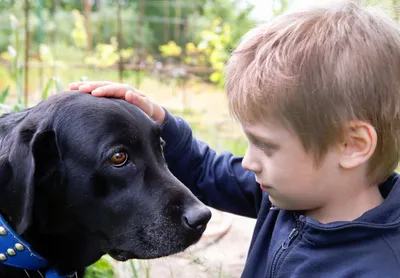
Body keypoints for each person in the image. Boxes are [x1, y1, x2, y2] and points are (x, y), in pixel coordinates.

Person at [69, 1, 400, 277]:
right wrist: (160, 122)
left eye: (266, 146)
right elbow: (206, 171)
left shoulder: (378, 267)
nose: (250, 161)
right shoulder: (289, 193)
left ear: (352, 146)